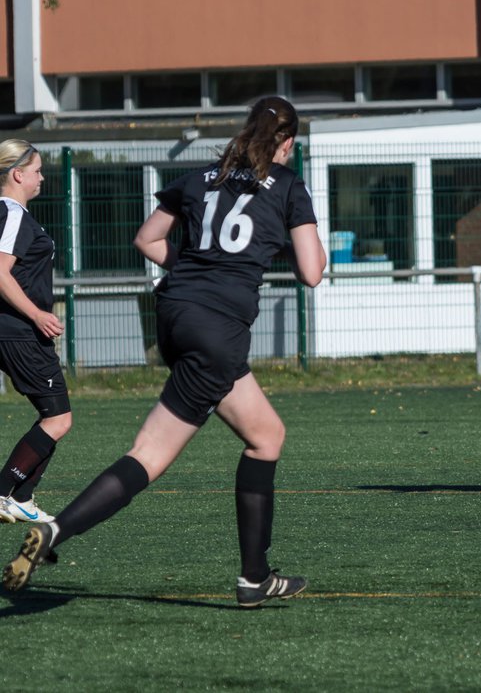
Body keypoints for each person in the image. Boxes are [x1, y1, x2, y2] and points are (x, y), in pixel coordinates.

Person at [3, 97, 325, 606]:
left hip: (176, 315)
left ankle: (256, 576)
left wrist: (196, 263)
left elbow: (148, 239)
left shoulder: (200, 177)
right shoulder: (287, 185)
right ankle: (57, 531)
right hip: (218, 329)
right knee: (149, 456)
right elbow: (311, 272)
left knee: (266, 434)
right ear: (286, 142)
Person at [0, 141, 71, 525]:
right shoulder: (11, 214)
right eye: (38, 170)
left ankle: (22, 496)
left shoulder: (13, 216)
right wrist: (37, 314)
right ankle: (2, 491)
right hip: (20, 331)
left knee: (54, 416)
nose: (42, 177)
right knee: (57, 419)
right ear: (18, 174)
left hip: (14, 330)